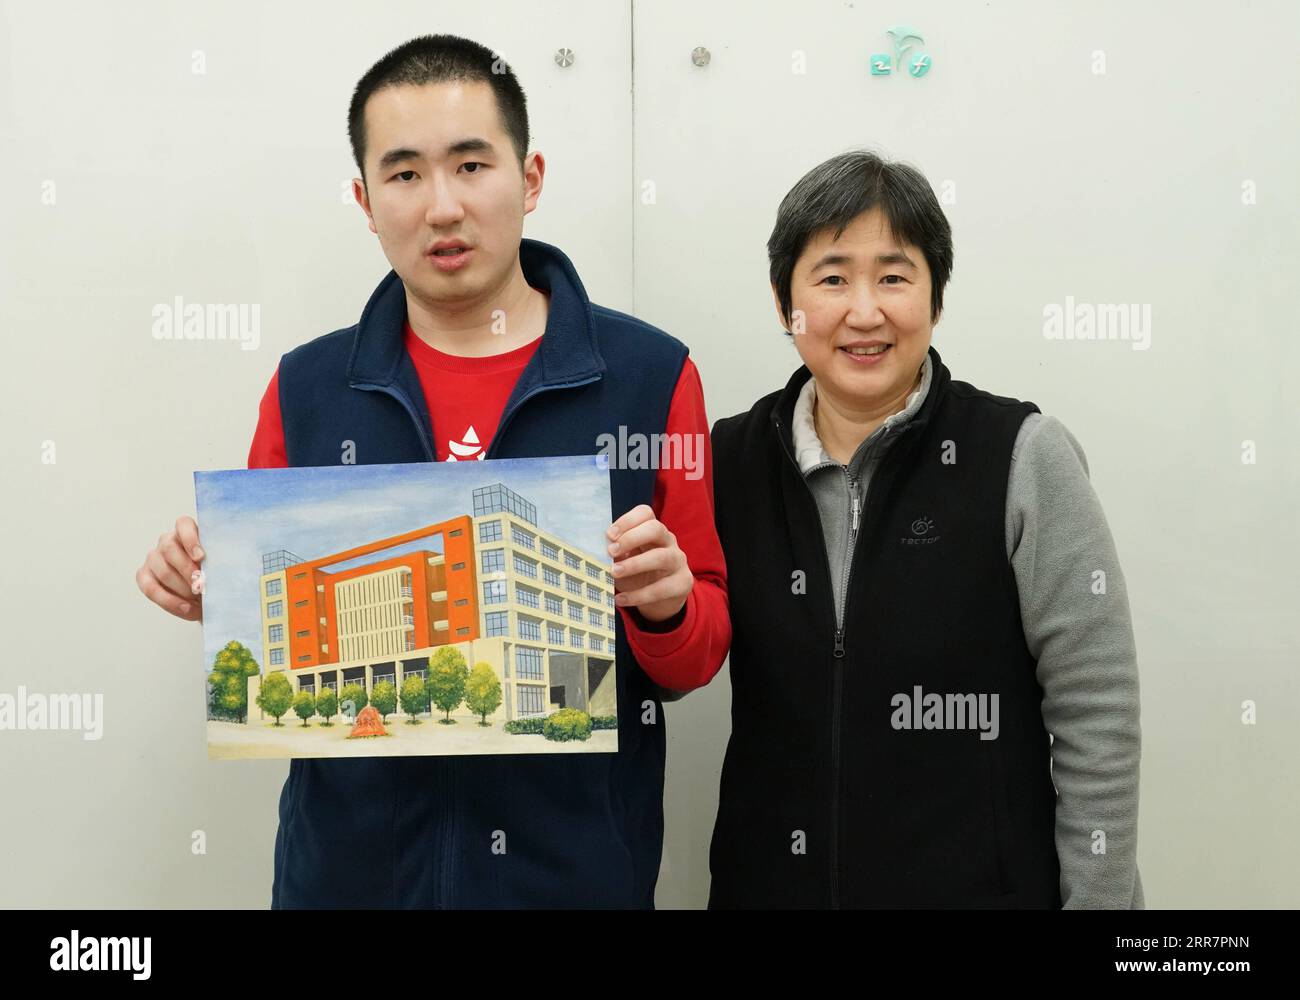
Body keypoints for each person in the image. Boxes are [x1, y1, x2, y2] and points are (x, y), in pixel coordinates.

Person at [135, 33, 730, 908]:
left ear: (529, 179)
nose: (442, 206)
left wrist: (666, 603)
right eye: (405, 174)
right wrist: (210, 594)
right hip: (347, 881)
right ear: (366, 201)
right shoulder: (307, 388)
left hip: (571, 882)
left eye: (471, 165)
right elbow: (274, 628)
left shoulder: (650, 375)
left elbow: (696, 658)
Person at [707, 150, 1143, 908]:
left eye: (895, 276)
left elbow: (1097, 712)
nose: (865, 310)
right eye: (833, 277)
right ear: (786, 305)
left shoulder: (1020, 455)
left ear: (935, 299)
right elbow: (672, 661)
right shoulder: (726, 463)